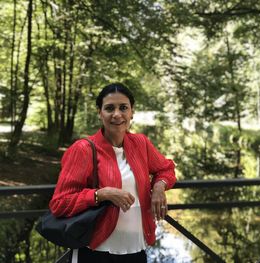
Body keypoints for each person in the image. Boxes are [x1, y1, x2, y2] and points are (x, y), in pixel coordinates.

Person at [49, 83, 176, 263]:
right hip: (96, 250)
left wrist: (159, 186)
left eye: (123, 108)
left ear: (132, 112)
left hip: (136, 248)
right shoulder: (83, 149)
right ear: (100, 113)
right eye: (109, 108)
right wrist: (101, 194)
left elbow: (166, 168)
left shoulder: (141, 143)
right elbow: (59, 203)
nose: (117, 114)